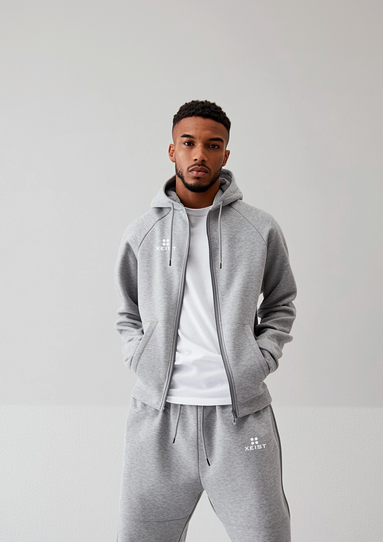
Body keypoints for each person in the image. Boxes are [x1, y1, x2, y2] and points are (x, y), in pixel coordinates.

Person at [113, 99, 297, 542]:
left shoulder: (259, 228)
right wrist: (140, 358)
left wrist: (260, 358)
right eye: (188, 143)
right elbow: (127, 311)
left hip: (240, 417)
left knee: (265, 534)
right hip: (159, 418)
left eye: (213, 145)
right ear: (172, 150)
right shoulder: (143, 231)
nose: (200, 154)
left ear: (225, 154)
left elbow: (281, 301)